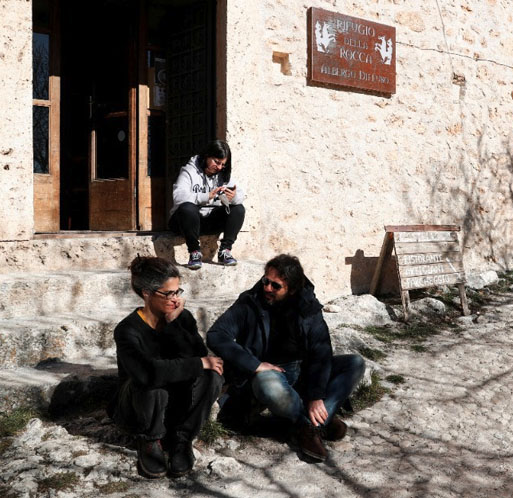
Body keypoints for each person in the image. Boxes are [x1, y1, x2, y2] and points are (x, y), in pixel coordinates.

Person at [207, 254, 365, 462]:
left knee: (355, 363)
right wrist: (254, 364)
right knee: (267, 384)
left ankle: (311, 424)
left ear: (291, 289)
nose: (267, 288)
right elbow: (216, 335)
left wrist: (316, 395)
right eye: (265, 281)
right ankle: (310, 425)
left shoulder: (307, 307)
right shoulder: (250, 302)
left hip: (303, 372)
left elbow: (321, 350)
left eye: (275, 285)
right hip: (270, 374)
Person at [109, 257, 224, 479]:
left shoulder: (181, 317)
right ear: (146, 293)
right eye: (168, 293)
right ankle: (150, 440)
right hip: (137, 407)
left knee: (212, 376)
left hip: (174, 404)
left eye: (177, 291)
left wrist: (174, 324)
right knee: (154, 380)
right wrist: (198, 362)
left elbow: (198, 357)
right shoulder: (127, 330)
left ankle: (182, 438)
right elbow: (147, 372)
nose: (175, 299)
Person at [169, 140, 245, 270]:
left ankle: (225, 251)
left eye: (223, 164)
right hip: (185, 223)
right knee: (188, 208)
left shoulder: (223, 175)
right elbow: (178, 196)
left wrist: (232, 198)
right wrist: (206, 197)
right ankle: (194, 252)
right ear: (206, 156)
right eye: (216, 162)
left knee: (238, 209)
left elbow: (240, 195)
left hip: (208, 222)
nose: (219, 167)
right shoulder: (189, 171)